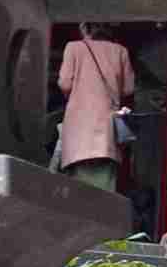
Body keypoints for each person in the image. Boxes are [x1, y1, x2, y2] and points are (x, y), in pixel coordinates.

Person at [51, 28, 135, 190]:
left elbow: (64, 83)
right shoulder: (120, 51)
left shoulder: (74, 47)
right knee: (104, 192)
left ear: (84, 27)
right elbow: (128, 88)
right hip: (107, 134)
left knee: (77, 191)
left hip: (78, 133)